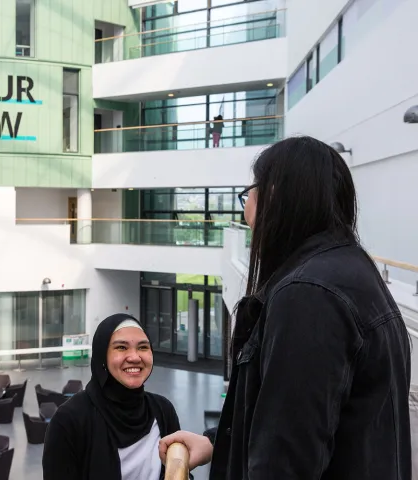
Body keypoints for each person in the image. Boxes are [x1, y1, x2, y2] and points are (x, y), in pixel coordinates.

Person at [159, 136, 411, 479]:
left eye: (249, 192)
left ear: (275, 194)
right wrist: (218, 443)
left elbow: (285, 460)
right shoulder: (352, 272)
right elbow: (305, 418)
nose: (245, 208)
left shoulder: (308, 296)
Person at [43, 313, 181, 480]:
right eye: (121, 347)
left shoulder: (163, 410)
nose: (135, 357)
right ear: (102, 356)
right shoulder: (70, 420)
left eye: (143, 347)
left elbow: (178, 471)